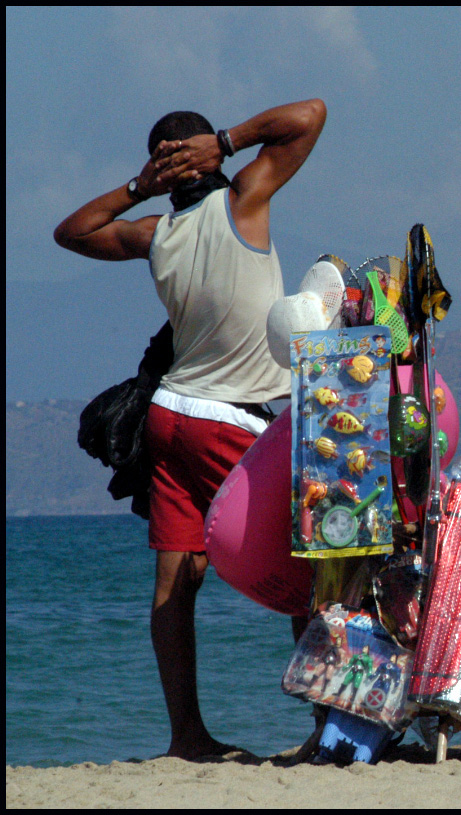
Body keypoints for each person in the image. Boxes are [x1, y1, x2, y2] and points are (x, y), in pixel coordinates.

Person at [54, 99, 327, 760]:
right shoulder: (245, 199)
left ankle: (187, 736)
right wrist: (227, 142)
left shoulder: (156, 234)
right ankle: (329, 726)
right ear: (203, 158)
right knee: (312, 568)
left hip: (170, 417)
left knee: (176, 580)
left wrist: (137, 187)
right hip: (232, 419)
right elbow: (311, 115)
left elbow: (74, 231)